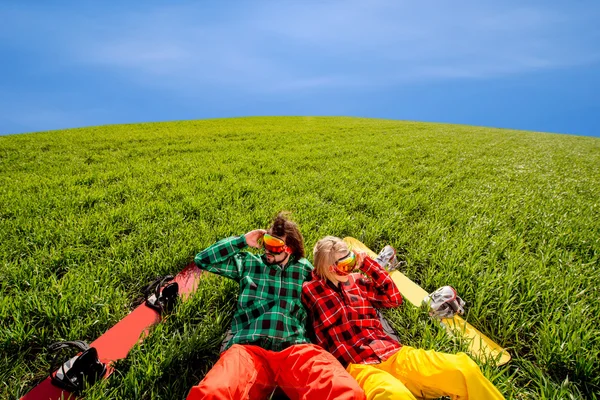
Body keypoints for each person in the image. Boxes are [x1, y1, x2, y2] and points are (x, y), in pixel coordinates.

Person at [302, 236, 505, 400]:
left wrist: (367, 264)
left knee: (463, 369)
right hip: (358, 368)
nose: (351, 266)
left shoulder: (356, 282)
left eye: (351, 259)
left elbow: (393, 298)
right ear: (329, 268)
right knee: (393, 395)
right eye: (346, 264)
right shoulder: (310, 290)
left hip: (393, 353)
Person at [186, 214, 365, 400]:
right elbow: (203, 260)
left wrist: (362, 265)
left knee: (346, 392)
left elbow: (336, 281)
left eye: (275, 245)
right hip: (249, 348)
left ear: (290, 249)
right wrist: (242, 240)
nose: (267, 250)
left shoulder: (304, 270)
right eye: (266, 241)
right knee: (211, 394)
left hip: (296, 349)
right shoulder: (249, 263)